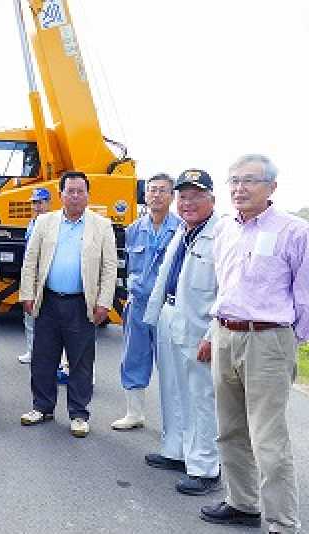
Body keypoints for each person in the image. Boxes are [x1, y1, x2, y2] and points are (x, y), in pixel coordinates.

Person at [200, 155, 308, 533]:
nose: (239, 188)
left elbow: (305, 295)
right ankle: (242, 503)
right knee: (230, 429)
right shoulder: (225, 229)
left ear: (272, 187)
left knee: (268, 438)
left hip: (268, 340)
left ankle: (282, 522)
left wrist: (289, 341)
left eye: (249, 180)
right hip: (226, 334)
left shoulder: (294, 231)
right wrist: (213, 333)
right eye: (233, 181)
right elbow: (224, 287)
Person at [19, 171, 117, 438]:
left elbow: (109, 269)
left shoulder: (101, 225)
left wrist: (104, 303)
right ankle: (42, 406)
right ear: (60, 194)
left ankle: (78, 413)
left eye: (80, 191)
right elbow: (31, 261)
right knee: (43, 358)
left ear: (88, 195)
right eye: (70, 191)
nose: (75, 196)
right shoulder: (44, 222)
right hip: (48, 301)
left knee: (81, 362)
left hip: (81, 304)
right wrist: (27, 294)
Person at [143, 169, 221, 496]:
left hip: (200, 324)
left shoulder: (222, 234)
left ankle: (205, 467)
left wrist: (213, 335)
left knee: (201, 396)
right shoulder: (183, 230)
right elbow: (164, 278)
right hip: (170, 315)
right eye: (183, 196)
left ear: (212, 200)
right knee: (172, 388)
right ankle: (176, 451)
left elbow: (227, 291)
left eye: (196, 196)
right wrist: (154, 316)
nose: (187, 202)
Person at [111, 174, 180, 430]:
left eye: (163, 191)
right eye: (152, 190)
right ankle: (135, 413)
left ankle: (172, 422)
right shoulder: (133, 229)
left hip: (168, 306)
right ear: (145, 195)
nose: (156, 195)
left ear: (172, 197)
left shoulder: (182, 228)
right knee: (134, 357)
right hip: (138, 303)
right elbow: (129, 267)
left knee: (170, 364)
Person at [16, 187, 51, 365]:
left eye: (40, 202)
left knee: (45, 318)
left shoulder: (51, 223)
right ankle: (32, 351)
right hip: (30, 275)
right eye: (34, 203)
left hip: (43, 277)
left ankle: (45, 354)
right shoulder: (32, 223)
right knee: (29, 315)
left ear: (48, 203)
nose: (37, 206)